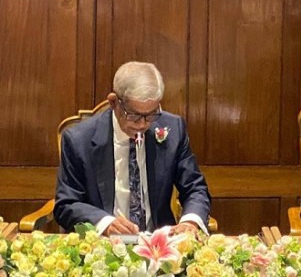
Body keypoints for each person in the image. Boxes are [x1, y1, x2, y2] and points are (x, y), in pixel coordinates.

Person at [54, 61, 211, 236]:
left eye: (151, 114)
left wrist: (190, 221)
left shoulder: (173, 129)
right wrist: (105, 223)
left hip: (160, 242)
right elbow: (66, 204)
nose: (143, 124)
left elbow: (195, 188)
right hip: (104, 243)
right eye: (134, 115)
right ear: (114, 102)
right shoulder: (78, 140)